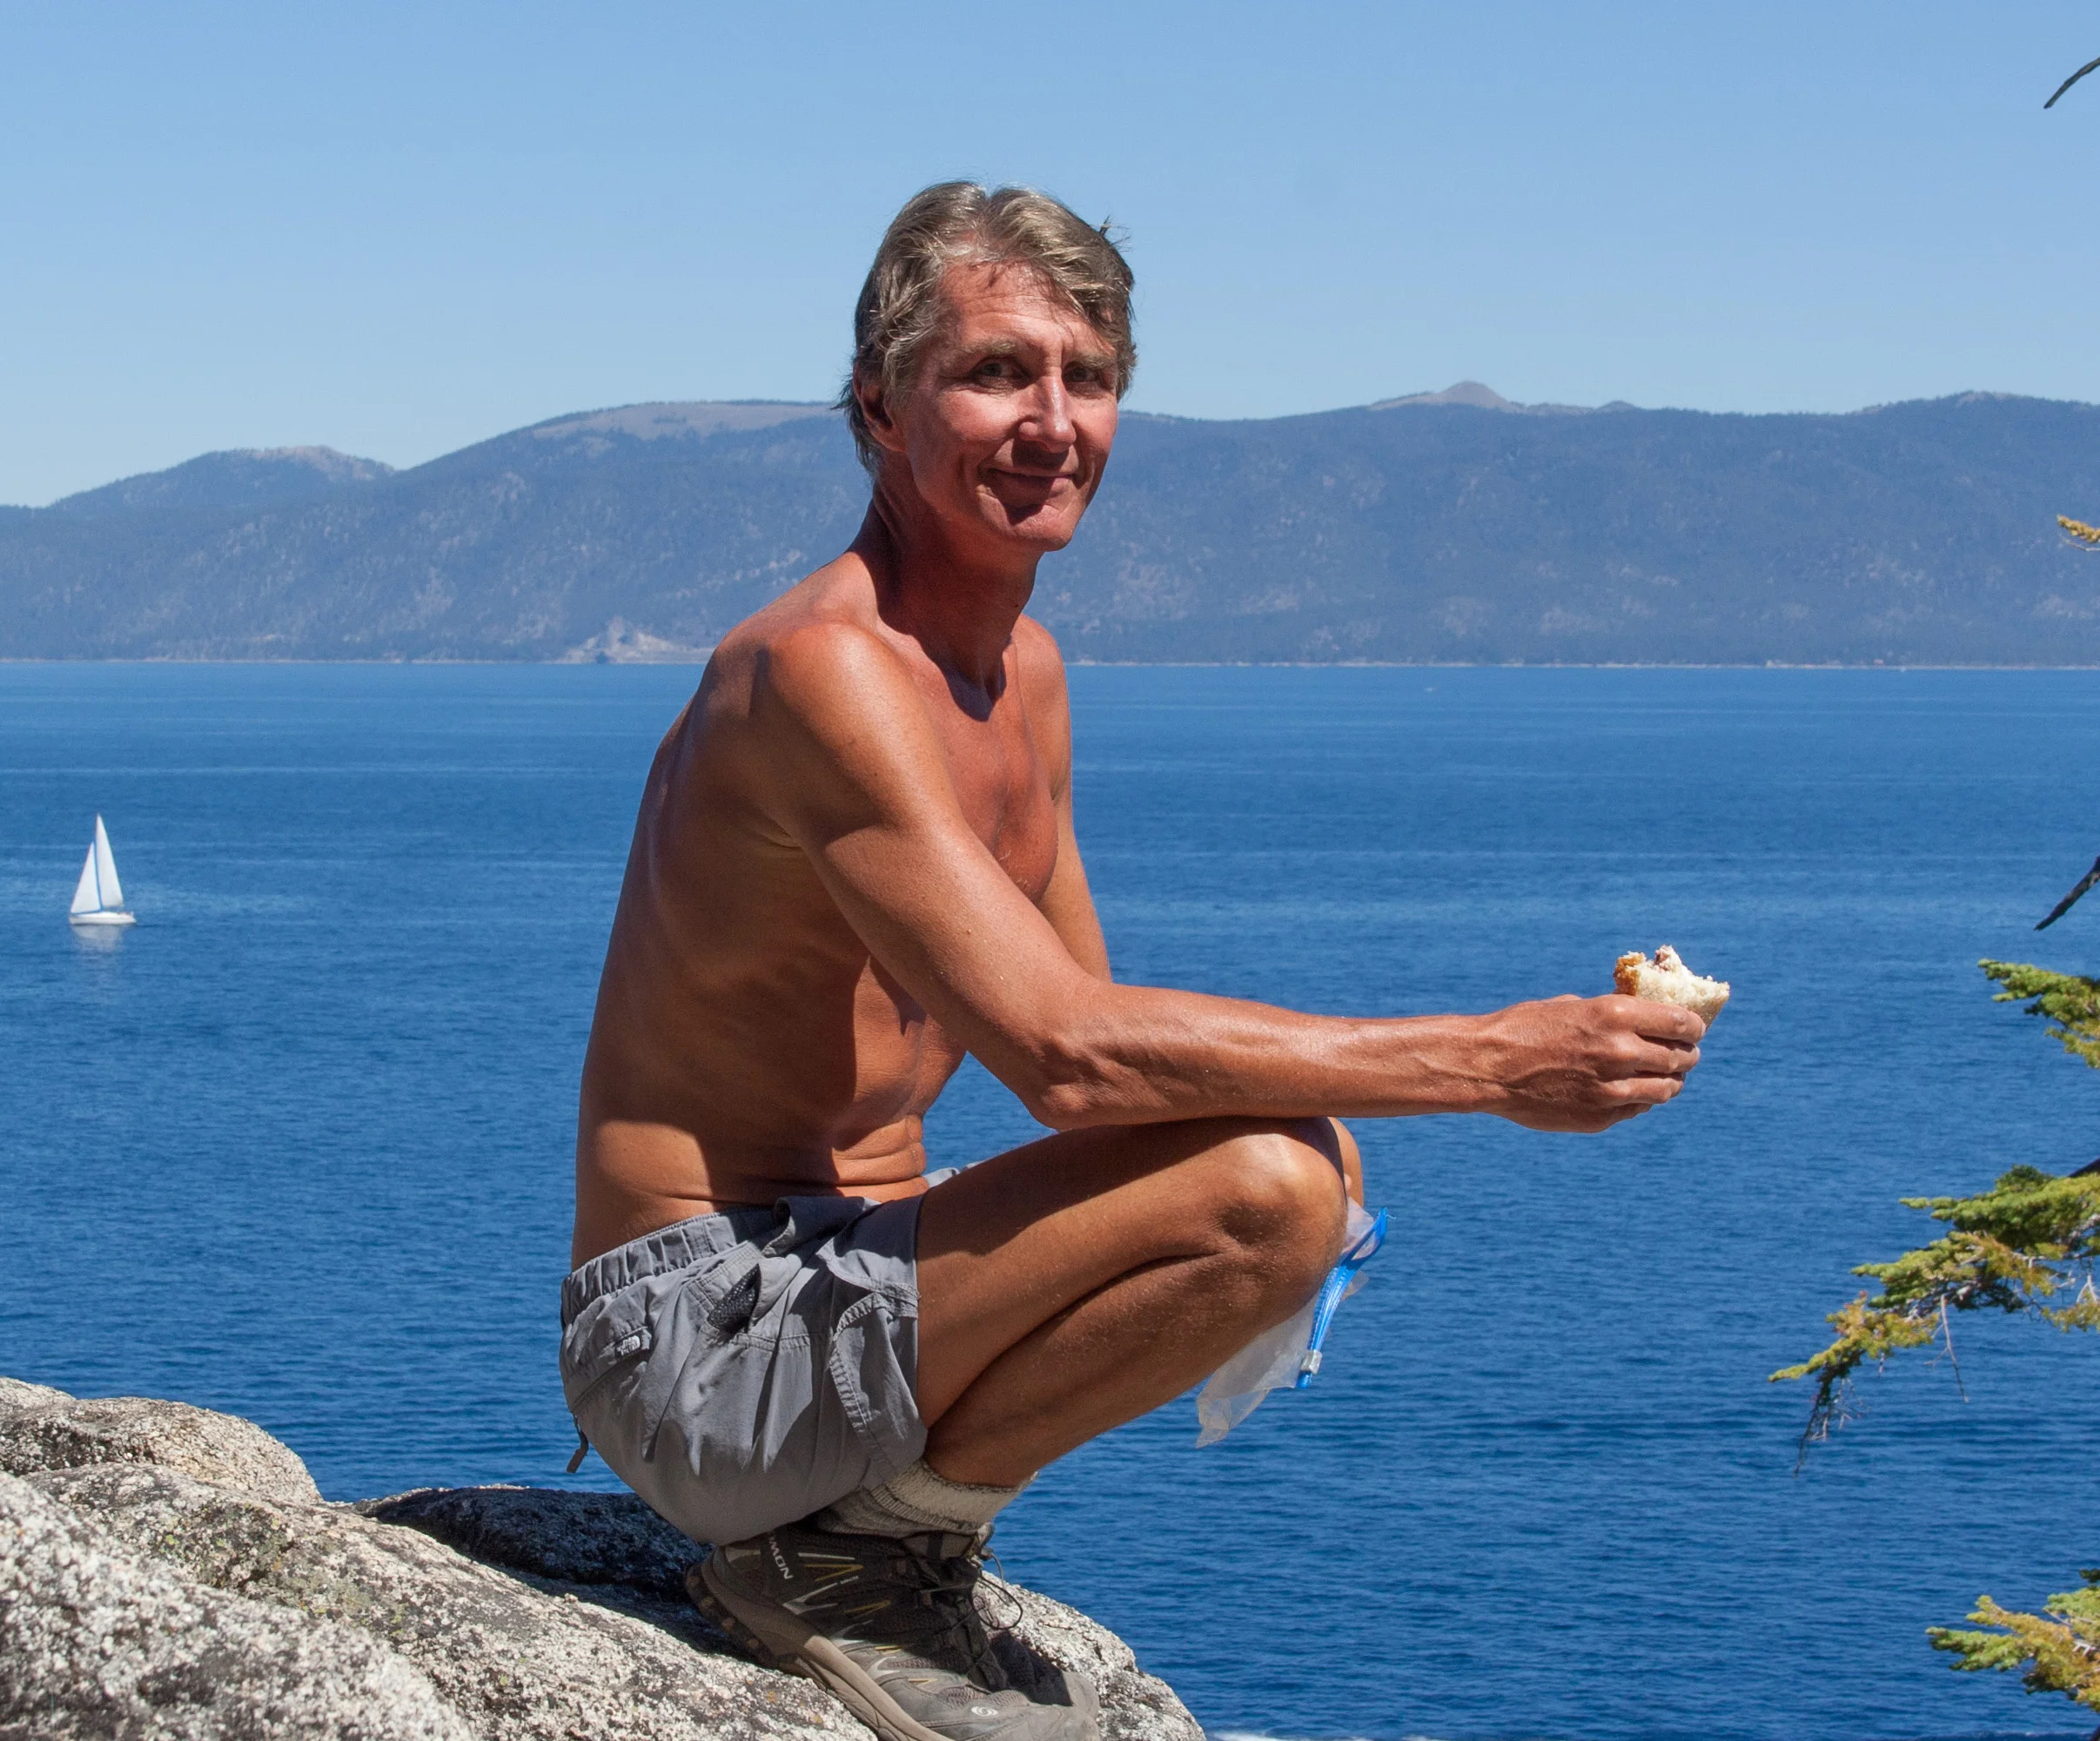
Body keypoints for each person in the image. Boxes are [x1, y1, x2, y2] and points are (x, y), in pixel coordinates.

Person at [560, 181, 1705, 1741]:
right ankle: (853, 1569)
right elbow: (1071, 1058)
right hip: (695, 1338)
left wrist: (1332, 1133)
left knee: (1299, 1167)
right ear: (881, 405)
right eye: (995, 372)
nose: (1050, 423)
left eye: (1086, 378)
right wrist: (1493, 1064)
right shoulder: (820, 671)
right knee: (1270, 1187)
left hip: (846, 1281)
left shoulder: (1020, 673)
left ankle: (874, 1549)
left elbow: (1103, 1066)